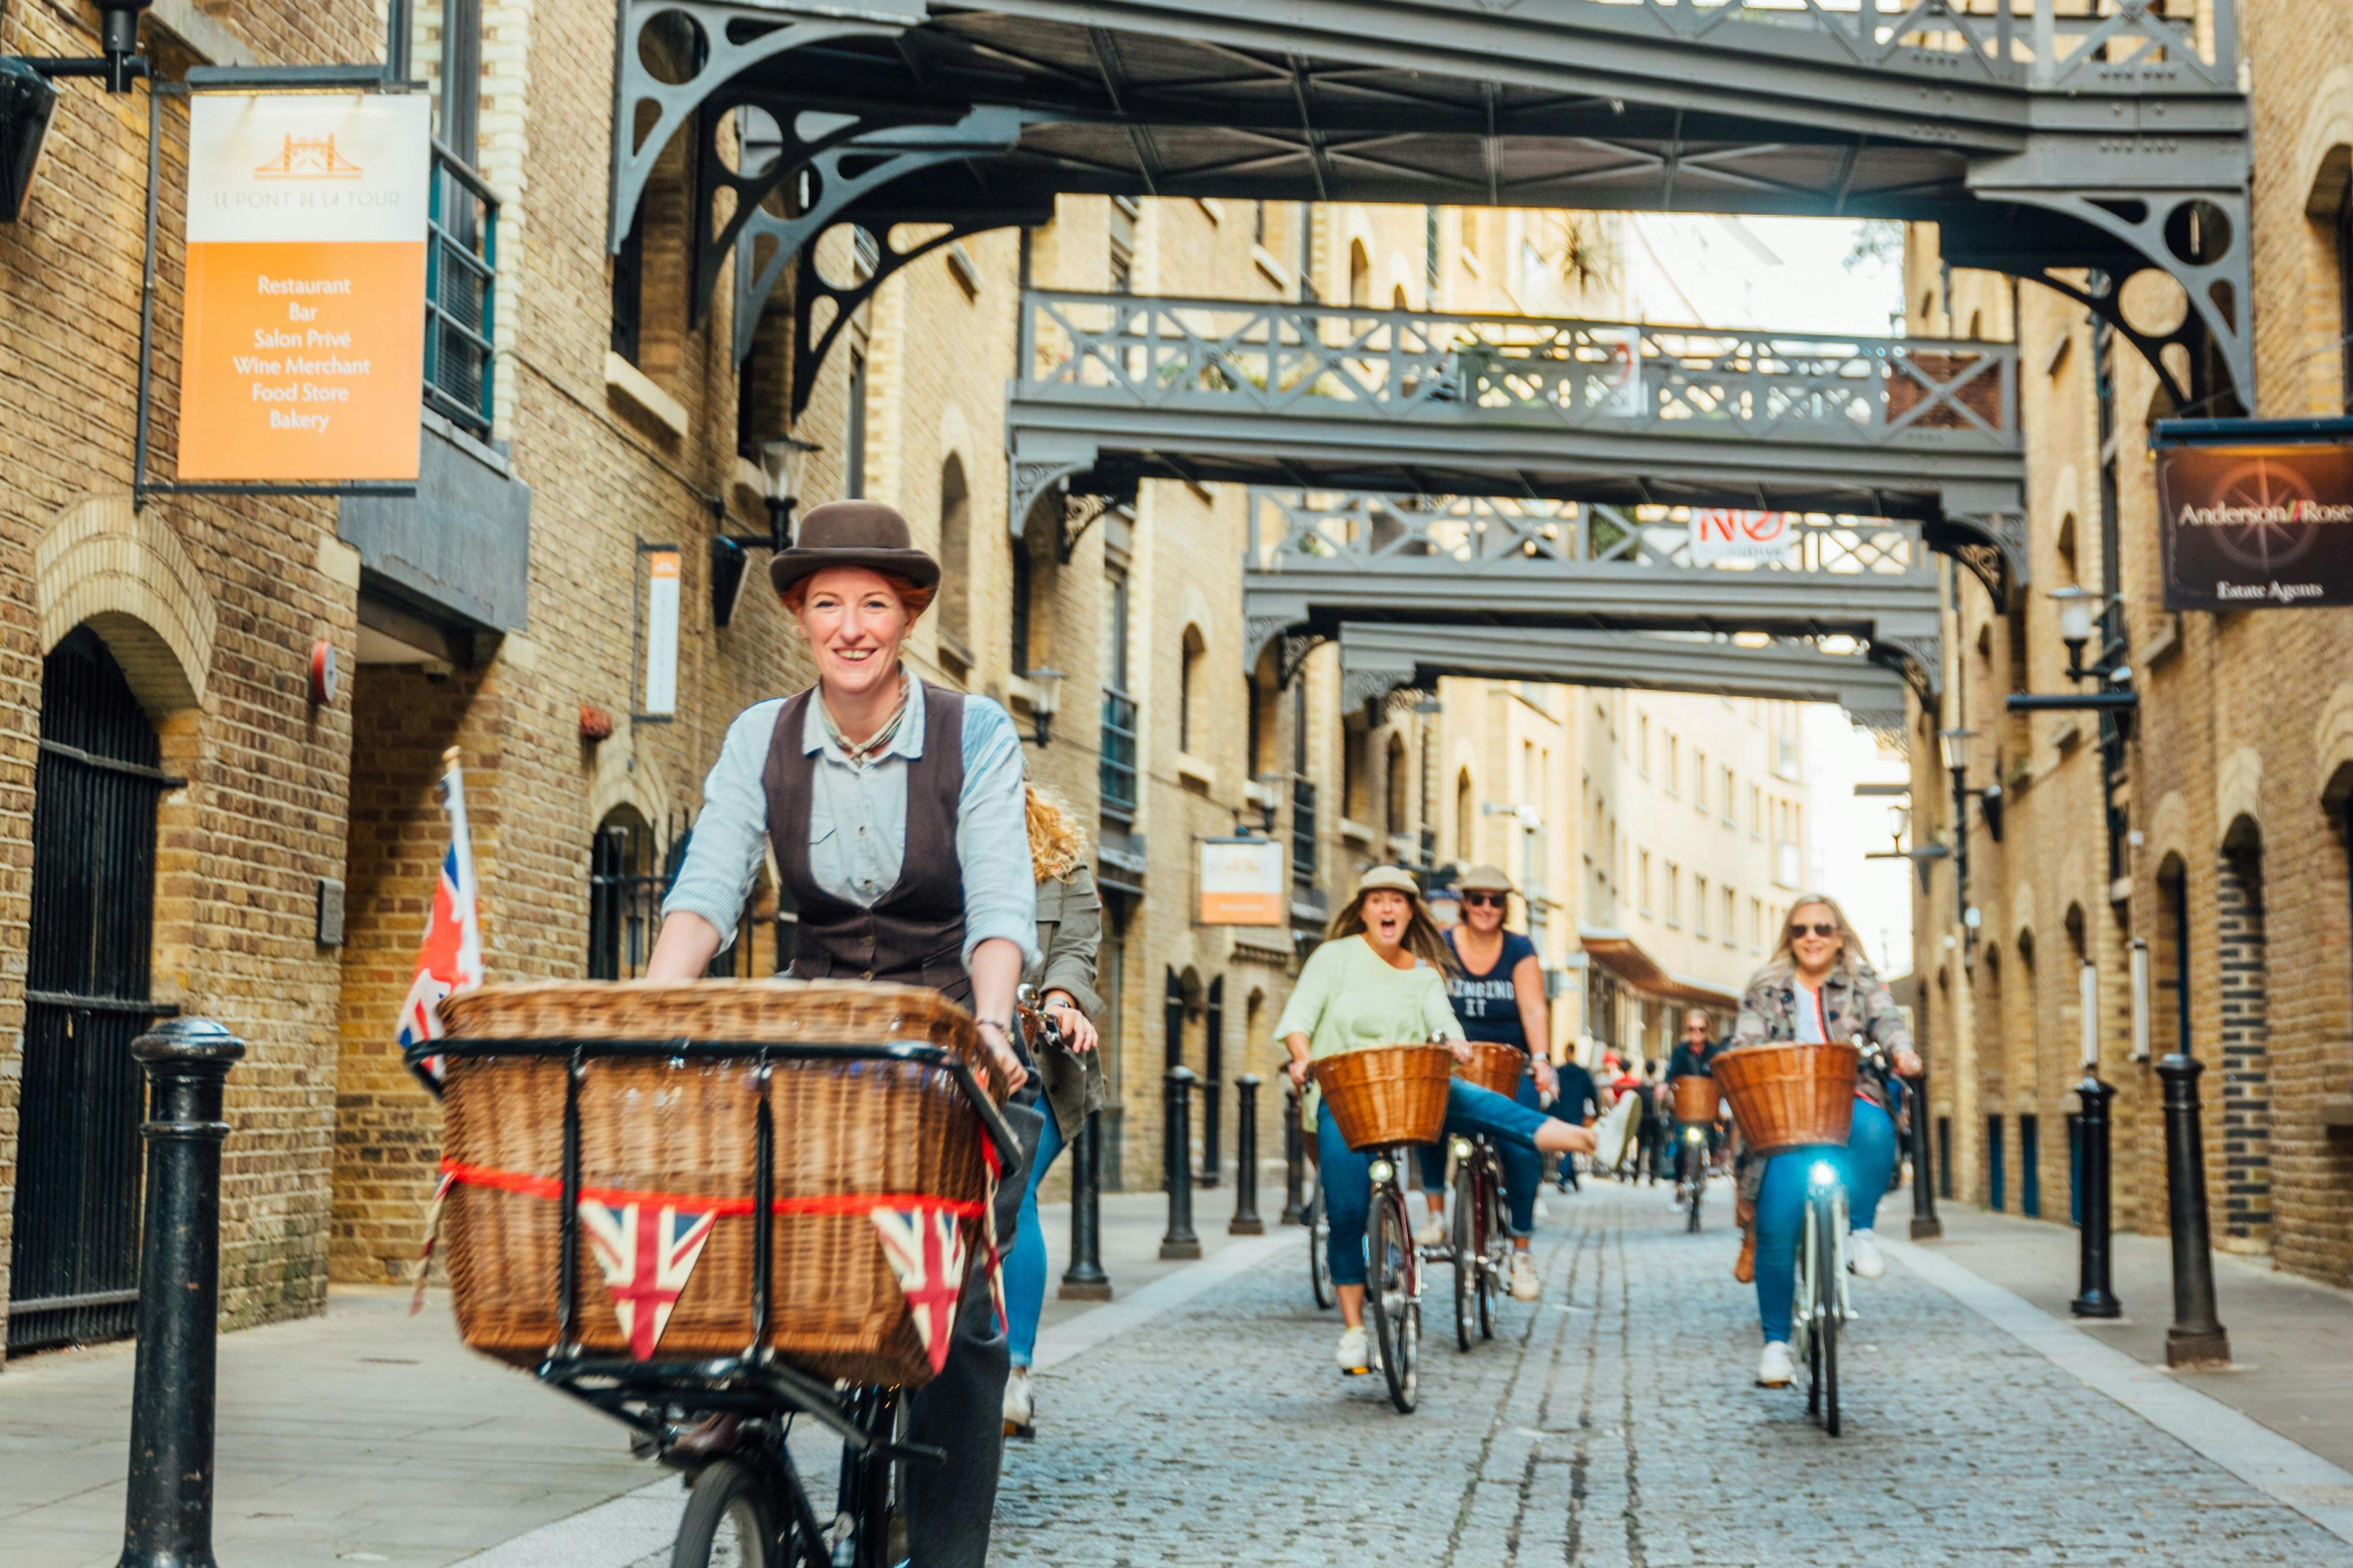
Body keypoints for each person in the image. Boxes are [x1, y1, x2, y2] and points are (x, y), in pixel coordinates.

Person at [646, 500, 1039, 1568]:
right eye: (829, 605)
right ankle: (737, 1397)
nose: (852, 626)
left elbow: (1003, 898)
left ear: (908, 617)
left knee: (955, 1305)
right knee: (727, 1186)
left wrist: (993, 1022)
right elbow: (709, 885)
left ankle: (950, 1553)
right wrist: (653, 1005)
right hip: (815, 1025)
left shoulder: (975, 732)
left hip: (947, 1031)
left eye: (875, 603)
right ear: (800, 617)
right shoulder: (760, 737)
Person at [1275, 866, 1597, 1375]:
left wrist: (1454, 1040)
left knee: (1481, 1102)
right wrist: (1301, 1056)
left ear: (1410, 912)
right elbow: (1298, 1018)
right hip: (1347, 1091)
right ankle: (1356, 1330)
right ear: (1363, 910)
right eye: (1377, 900)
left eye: (1397, 901)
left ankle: (1573, 1135)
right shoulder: (1333, 958)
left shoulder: (1424, 972)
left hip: (1408, 1085)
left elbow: (1440, 1015)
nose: (1387, 909)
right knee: (1345, 1210)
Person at [1725, 893, 1919, 1390]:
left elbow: (1887, 1019)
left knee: (1876, 1129)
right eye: (1801, 929)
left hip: (1846, 1095)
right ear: (1789, 938)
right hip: (1783, 1111)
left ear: (1840, 937)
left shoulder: (1859, 980)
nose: (1812, 937)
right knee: (1775, 1220)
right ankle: (1775, 1344)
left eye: (1823, 929)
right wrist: (1743, 1056)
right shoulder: (1766, 985)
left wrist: (1903, 1051)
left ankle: (1860, 1232)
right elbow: (1745, 1037)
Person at [1001, 783, 1104, 1439]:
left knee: (1013, 1189)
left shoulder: (1062, 860)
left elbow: (1075, 948)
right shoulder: (926, 837)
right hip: (935, 1049)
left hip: (1034, 1055)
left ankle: (1013, 1371)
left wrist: (1062, 1003)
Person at [1420, 863, 1559, 1302]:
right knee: (1427, 1117)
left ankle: (1521, 1250)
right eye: (1477, 899)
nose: (1485, 907)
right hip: (1455, 1065)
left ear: (1505, 907)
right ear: (1464, 902)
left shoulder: (1518, 949)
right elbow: (1425, 999)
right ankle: (1437, 1215)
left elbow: (1534, 1009)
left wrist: (1540, 1059)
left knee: (1522, 1146)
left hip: (1506, 1066)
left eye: (1495, 900)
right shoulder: (1442, 946)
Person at [1549, 1050, 1601, 1193]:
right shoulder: (1583, 1073)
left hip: (1561, 1113)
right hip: (1576, 1113)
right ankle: (1563, 1178)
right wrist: (1597, 1111)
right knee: (1570, 1149)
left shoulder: (1560, 1072)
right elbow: (1593, 1093)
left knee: (1569, 1148)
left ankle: (1571, 1179)